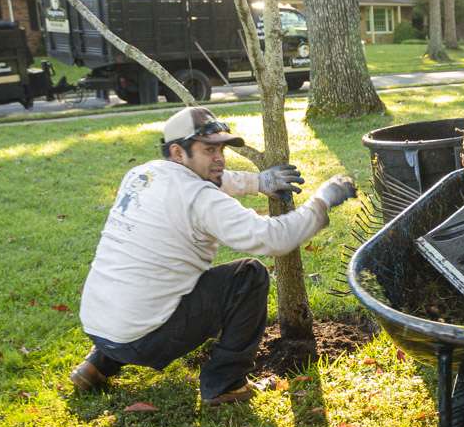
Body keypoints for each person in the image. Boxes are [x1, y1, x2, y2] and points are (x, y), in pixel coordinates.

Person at [70, 105, 356, 404]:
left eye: (221, 149)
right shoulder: (201, 199)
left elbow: (215, 177)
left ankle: (97, 364)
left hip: (98, 325)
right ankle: (226, 383)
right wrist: (323, 200)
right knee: (249, 275)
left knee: (141, 286)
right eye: (209, 150)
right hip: (143, 340)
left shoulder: (141, 175)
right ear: (178, 153)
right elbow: (274, 238)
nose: (219, 158)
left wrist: (260, 182)